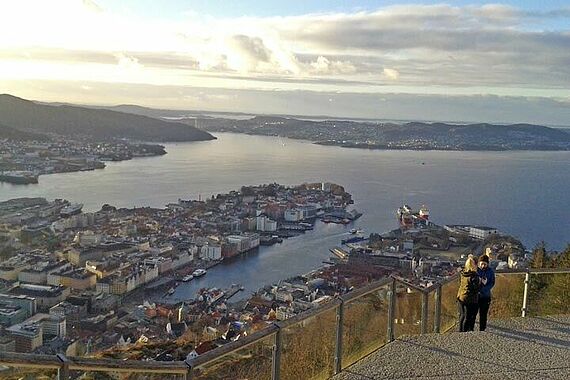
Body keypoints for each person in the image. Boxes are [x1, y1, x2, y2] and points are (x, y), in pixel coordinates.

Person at [457, 254, 480, 332]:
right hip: (469, 299)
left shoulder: (463, 273)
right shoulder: (474, 276)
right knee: (468, 316)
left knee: (462, 315)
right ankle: (465, 332)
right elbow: (476, 289)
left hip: (461, 297)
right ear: (476, 265)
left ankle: (460, 332)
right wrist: (482, 283)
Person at [477, 254, 495, 331]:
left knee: (483, 314)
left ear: (487, 264)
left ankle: (482, 328)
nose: (483, 265)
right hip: (476, 295)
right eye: (481, 264)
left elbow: (492, 283)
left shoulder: (490, 272)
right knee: (473, 313)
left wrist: (484, 289)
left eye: (484, 264)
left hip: (486, 296)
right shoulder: (476, 270)